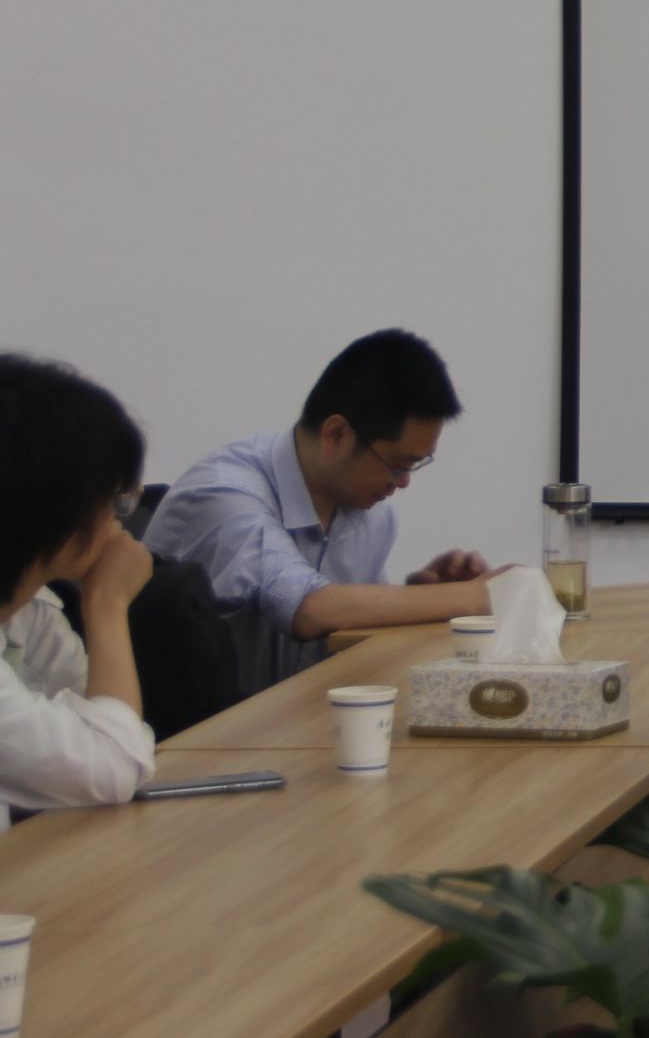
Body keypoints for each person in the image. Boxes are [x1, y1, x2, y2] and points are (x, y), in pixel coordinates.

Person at [144, 329, 498, 697]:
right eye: (396, 465)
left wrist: (423, 599)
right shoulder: (225, 494)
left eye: (415, 466)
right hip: (199, 730)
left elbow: (347, 636)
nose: (404, 483)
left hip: (300, 722)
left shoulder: (370, 514)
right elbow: (309, 608)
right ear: (337, 435)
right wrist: (474, 596)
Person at [2, 354, 159, 825]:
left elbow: (111, 727)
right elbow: (114, 765)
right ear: (56, 506)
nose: (119, 522)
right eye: (115, 500)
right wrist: (108, 604)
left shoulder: (29, 608)